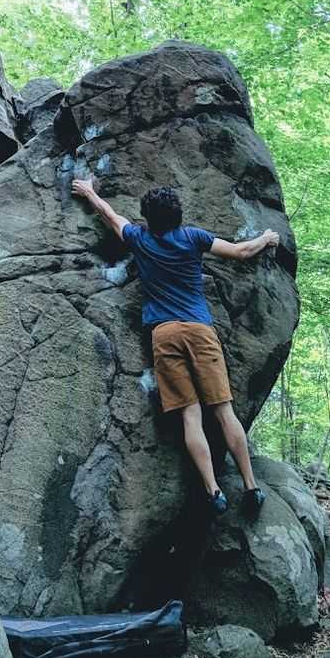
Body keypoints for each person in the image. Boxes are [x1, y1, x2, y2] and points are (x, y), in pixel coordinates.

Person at [71, 179, 279, 515]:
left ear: (148, 219)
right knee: (224, 410)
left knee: (190, 414)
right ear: (178, 215)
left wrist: (90, 192)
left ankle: (213, 491)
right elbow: (241, 252)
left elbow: (111, 217)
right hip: (199, 330)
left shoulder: (140, 238)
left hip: (164, 334)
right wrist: (267, 238)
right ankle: (251, 487)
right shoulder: (193, 237)